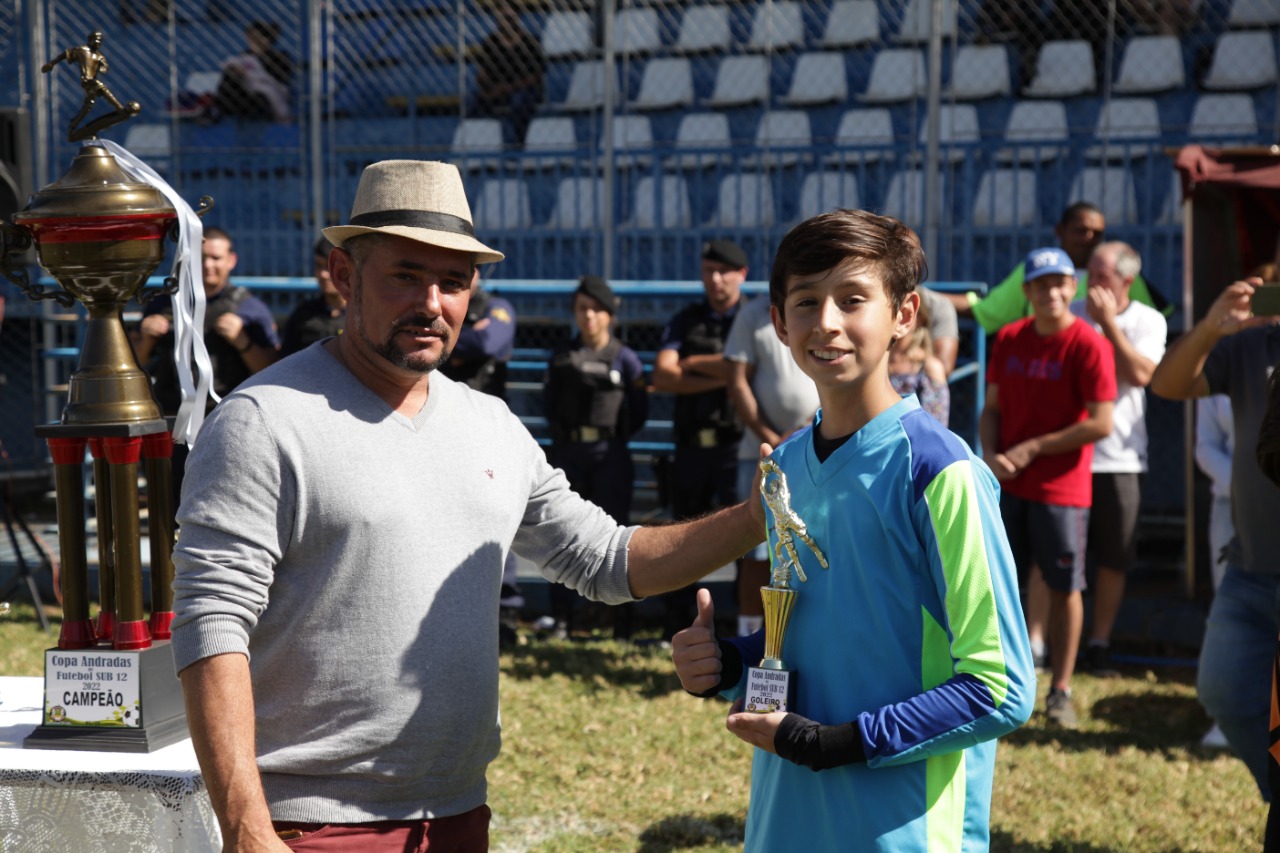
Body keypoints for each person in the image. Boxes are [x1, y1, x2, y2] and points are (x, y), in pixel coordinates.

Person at [170, 160, 766, 850]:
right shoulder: (262, 420)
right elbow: (211, 623)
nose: (432, 301)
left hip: (457, 813)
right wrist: (247, 827)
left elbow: (606, 559)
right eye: (405, 274)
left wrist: (755, 516)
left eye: (453, 280)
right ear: (342, 274)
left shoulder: (492, 424)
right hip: (310, 823)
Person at [670, 209, 1034, 850]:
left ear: (904, 314)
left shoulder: (941, 472)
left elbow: (1000, 688)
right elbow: (806, 640)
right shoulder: (782, 467)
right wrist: (729, 663)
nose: (827, 322)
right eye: (806, 301)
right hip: (785, 820)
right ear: (778, 323)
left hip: (900, 830)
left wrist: (836, 743)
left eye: (853, 298)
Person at [1150, 267, 1280, 799]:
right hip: (1250, 569)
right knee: (1224, 692)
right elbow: (1168, 384)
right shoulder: (1253, 343)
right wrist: (1208, 329)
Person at [980, 247, 1116, 728]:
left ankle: (1060, 690)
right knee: (997, 583)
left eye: (1059, 283)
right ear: (1027, 292)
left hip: (1062, 489)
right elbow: (991, 407)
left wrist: (1034, 447)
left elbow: (1102, 423)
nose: (1051, 292)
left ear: (1072, 288)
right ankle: (996, 684)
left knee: (1064, 587)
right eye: (1041, 284)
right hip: (1009, 483)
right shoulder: (1012, 337)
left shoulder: (1089, 343)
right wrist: (991, 454)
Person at [1070, 242, 1167, 677]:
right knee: (1059, 558)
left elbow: (1142, 375)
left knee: (1113, 557)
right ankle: (1049, 646)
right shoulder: (1069, 311)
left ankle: (1099, 643)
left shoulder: (1147, 320)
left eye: (1102, 275)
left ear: (1127, 282)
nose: (1093, 283)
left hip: (1120, 457)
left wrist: (1108, 324)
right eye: (1089, 272)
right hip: (1068, 452)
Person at [542, 275, 648, 640]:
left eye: (595, 310)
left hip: (610, 455)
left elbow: (639, 411)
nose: (588, 317)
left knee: (617, 538)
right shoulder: (561, 357)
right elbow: (549, 405)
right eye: (581, 309)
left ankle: (620, 626)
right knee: (563, 534)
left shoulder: (625, 359)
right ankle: (561, 620)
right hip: (570, 453)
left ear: (609, 315)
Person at [652, 239, 747, 638]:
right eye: (708, 270)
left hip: (734, 447)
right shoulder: (686, 319)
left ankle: (745, 627)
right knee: (683, 540)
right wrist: (725, 372)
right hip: (691, 448)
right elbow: (662, 376)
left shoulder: (753, 320)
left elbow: (747, 375)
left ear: (742, 275)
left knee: (747, 541)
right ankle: (677, 627)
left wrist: (692, 364)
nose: (716, 278)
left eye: (724, 271)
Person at [723, 289, 818, 637]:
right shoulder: (752, 315)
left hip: (818, 451)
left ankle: (798, 636)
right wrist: (771, 438)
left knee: (811, 547)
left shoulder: (829, 311)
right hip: (760, 454)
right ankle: (752, 638)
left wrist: (812, 428)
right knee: (757, 552)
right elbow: (737, 381)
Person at [440, 270, 522, 644]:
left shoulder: (498, 307)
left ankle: (504, 611)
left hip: (484, 430)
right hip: (440, 426)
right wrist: (464, 339)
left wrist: (453, 343)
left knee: (492, 516)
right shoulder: (440, 304)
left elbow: (490, 342)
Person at [944, 202, 1169, 334]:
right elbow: (985, 310)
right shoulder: (1034, 268)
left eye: (1097, 233)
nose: (1089, 239)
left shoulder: (1121, 273)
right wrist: (927, 297)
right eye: (1080, 230)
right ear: (1060, 231)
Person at [135, 226, 280, 418]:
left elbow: (273, 370)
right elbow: (135, 364)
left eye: (216, 258)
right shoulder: (163, 304)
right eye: (201, 258)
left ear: (231, 260)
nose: (208, 265)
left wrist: (243, 342)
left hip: (228, 415)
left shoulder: (250, 308)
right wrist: (147, 340)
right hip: (172, 416)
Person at [41, 31, 140, 142]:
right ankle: (118, 107)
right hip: (87, 81)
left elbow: (104, 66)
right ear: (90, 39)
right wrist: (51, 64)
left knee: (88, 105)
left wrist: (103, 67)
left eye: (100, 41)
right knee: (100, 86)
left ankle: (73, 124)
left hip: (91, 82)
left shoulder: (99, 56)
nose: (98, 43)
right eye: (96, 39)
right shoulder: (81, 50)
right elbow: (65, 54)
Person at [468, 4, 545, 144]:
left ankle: (520, 143)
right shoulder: (490, 43)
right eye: (503, 17)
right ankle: (481, 144)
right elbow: (482, 75)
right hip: (498, 91)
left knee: (519, 101)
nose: (507, 21)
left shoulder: (531, 42)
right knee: (472, 102)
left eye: (510, 17)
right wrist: (487, 88)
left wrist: (505, 89)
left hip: (524, 90)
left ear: (518, 18)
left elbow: (535, 78)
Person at [209, 20, 293, 124]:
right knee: (229, 76)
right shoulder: (245, 55)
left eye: (257, 37)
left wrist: (249, 74)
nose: (252, 41)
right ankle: (215, 111)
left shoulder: (279, 57)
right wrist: (236, 72)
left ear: (268, 39)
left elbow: (276, 83)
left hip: (265, 97)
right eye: (250, 37)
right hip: (245, 94)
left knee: (260, 97)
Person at [279, 236, 346, 358]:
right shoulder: (303, 315)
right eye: (318, 266)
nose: (322, 274)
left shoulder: (364, 316)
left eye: (329, 267)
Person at [888, 304, 949, 427]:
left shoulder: (929, 367)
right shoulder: (874, 363)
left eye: (904, 311)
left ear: (920, 319)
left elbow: (935, 427)